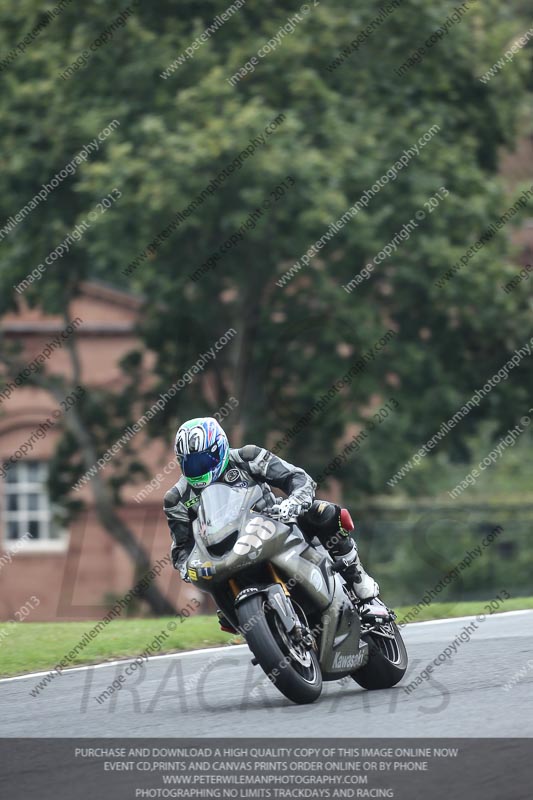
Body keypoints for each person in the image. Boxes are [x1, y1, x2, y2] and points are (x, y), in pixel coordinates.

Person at [163, 417, 379, 627]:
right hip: (224, 554)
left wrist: (293, 502)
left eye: (203, 461)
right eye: (191, 464)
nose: (198, 469)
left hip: (275, 522)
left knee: (324, 512)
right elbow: (182, 548)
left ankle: (360, 584)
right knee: (219, 602)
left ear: (220, 448)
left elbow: (297, 477)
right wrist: (187, 567)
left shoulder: (248, 457)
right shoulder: (176, 499)